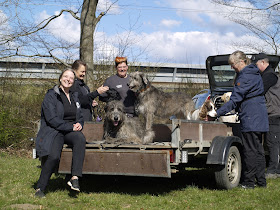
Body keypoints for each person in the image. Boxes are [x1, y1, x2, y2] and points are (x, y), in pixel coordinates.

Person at [216, 51, 269, 189]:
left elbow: (234, 100)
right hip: (259, 116)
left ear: (241, 62)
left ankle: (249, 182)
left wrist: (217, 113)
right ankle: (261, 181)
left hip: (251, 117)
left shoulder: (245, 76)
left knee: (250, 150)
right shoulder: (254, 73)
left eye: (232, 64)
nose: (231, 68)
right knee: (258, 150)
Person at [35, 69, 86, 198]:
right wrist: (70, 126)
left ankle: (74, 178)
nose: (68, 79)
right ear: (60, 78)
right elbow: (51, 119)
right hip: (55, 131)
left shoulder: (74, 96)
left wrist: (80, 123)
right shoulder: (51, 95)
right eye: (65, 76)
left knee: (80, 138)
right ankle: (40, 187)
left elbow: (79, 116)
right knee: (54, 157)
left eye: (71, 78)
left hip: (70, 131)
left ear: (74, 81)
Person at [252, 53, 280, 179]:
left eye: (256, 64)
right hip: (270, 112)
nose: (256, 67)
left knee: (273, 142)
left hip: (274, 114)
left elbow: (259, 90)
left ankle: (274, 170)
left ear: (263, 62)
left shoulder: (269, 76)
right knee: (271, 142)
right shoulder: (268, 75)